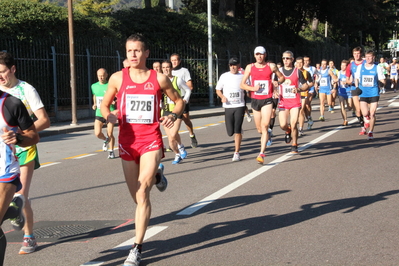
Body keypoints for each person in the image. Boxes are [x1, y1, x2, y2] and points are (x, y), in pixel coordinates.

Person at [101, 34, 184, 266]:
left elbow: (179, 101)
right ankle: (158, 174)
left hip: (150, 140)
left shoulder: (159, 79)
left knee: (142, 191)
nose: (134, 55)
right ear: (126, 54)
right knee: (137, 199)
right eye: (130, 51)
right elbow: (105, 104)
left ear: (146, 53)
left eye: (138, 51)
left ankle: (136, 248)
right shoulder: (118, 78)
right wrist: (109, 116)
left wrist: (172, 114)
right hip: (127, 142)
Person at [0, 51, 50, 254]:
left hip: (24, 148)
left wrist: (19, 134)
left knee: (21, 194)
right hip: (5, 148)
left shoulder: (26, 89)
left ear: (13, 69)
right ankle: (14, 213)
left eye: (3, 71)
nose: (1, 76)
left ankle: (28, 237)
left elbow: (44, 120)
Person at [0, 90, 39, 265]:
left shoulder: (11, 103)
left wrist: (17, 138)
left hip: (5, 173)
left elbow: (33, 136)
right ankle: (13, 210)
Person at [240, 46, 284, 164]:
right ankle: (268, 133)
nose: (259, 56)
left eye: (261, 54)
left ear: (265, 55)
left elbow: (282, 78)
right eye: (257, 54)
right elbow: (242, 85)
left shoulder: (271, 66)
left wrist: (277, 82)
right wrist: (252, 88)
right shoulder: (250, 67)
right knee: (259, 129)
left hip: (267, 99)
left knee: (264, 126)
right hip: (255, 100)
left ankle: (261, 153)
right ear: (254, 55)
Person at [278, 53, 310, 153]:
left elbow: (306, 85)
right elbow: (273, 83)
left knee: (293, 123)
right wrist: (274, 91)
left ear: (292, 59)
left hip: (295, 102)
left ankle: (294, 144)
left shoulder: (297, 72)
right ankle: (287, 131)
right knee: (283, 125)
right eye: (283, 58)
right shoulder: (279, 71)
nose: (285, 60)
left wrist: (299, 89)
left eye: (287, 58)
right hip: (283, 101)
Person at [161, 60, 191, 164]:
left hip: (177, 111)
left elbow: (188, 89)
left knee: (173, 134)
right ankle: (178, 152)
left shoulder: (177, 80)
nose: (165, 69)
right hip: (165, 111)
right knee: (170, 137)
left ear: (171, 68)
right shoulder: (160, 82)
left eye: (167, 67)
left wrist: (185, 99)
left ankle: (179, 150)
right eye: (163, 67)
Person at [216, 57, 245, 161]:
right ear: (229, 66)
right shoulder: (224, 76)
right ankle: (238, 130)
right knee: (230, 132)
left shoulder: (243, 76)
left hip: (239, 105)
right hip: (228, 106)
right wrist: (222, 97)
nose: (233, 67)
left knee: (237, 130)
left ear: (238, 66)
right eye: (231, 65)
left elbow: (248, 87)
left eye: (235, 65)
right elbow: (218, 90)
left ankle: (236, 153)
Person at [354, 50, 385, 140]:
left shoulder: (377, 67)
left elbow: (382, 79)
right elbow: (356, 78)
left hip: (374, 92)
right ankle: (366, 120)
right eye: (366, 56)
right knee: (365, 113)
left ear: (373, 57)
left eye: (370, 56)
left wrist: (382, 83)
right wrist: (357, 87)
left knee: (372, 113)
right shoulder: (360, 67)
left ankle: (370, 132)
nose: (368, 58)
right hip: (363, 93)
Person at [170, 53, 198, 148]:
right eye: (172, 60)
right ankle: (172, 141)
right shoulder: (167, 71)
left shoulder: (184, 71)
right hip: (171, 100)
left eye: (176, 60)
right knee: (172, 121)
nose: (174, 62)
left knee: (186, 120)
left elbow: (190, 86)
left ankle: (192, 135)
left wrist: (186, 98)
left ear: (179, 61)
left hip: (182, 99)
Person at [91, 68, 116, 159]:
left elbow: (116, 95)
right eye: (99, 76)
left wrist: (114, 101)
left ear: (106, 75)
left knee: (110, 133)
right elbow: (95, 95)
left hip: (110, 113)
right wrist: (94, 103)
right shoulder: (94, 86)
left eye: (102, 76)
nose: (101, 78)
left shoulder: (110, 85)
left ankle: (111, 151)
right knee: (97, 133)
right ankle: (105, 140)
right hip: (99, 112)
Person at [346, 47, 366, 135]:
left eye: (358, 53)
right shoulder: (350, 65)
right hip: (354, 88)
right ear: (353, 54)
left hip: (365, 88)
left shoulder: (365, 62)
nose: (356, 55)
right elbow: (347, 78)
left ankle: (367, 119)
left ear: (361, 54)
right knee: (358, 110)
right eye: (355, 54)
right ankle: (363, 127)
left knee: (366, 109)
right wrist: (349, 81)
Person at [296, 57, 314, 136]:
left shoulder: (306, 73)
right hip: (293, 94)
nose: (299, 64)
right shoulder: (293, 72)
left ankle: (300, 128)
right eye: (298, 62)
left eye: (301, 62)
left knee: (301, 110)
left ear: (303, 64)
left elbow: (311, 83)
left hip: (303, 93)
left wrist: (306, 87)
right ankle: (309, 118)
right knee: (295, 112)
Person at [303, 56, 318, 130]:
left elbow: (319, 75)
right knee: (304, 106)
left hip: (310, 88)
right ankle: (309, 118)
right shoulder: (300, 68)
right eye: (304, 60)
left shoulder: (313, 68)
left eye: (307, 60)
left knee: (307, 103)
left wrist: (316, 82)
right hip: (302, 88)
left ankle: (309, 118)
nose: (306, 62)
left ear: (309, 61)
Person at [337, 60, 350, 126]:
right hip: (341, 92)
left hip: (348, 92)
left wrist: (346, 82)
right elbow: (336, 80)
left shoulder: (348, 73)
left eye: (344, 66)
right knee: (342, 106)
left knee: (349, 107)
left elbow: (351, 81)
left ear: (347, 66)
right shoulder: (339, 73)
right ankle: (345, 120)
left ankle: (353, 110)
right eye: (341, 65)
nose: (342, 67)